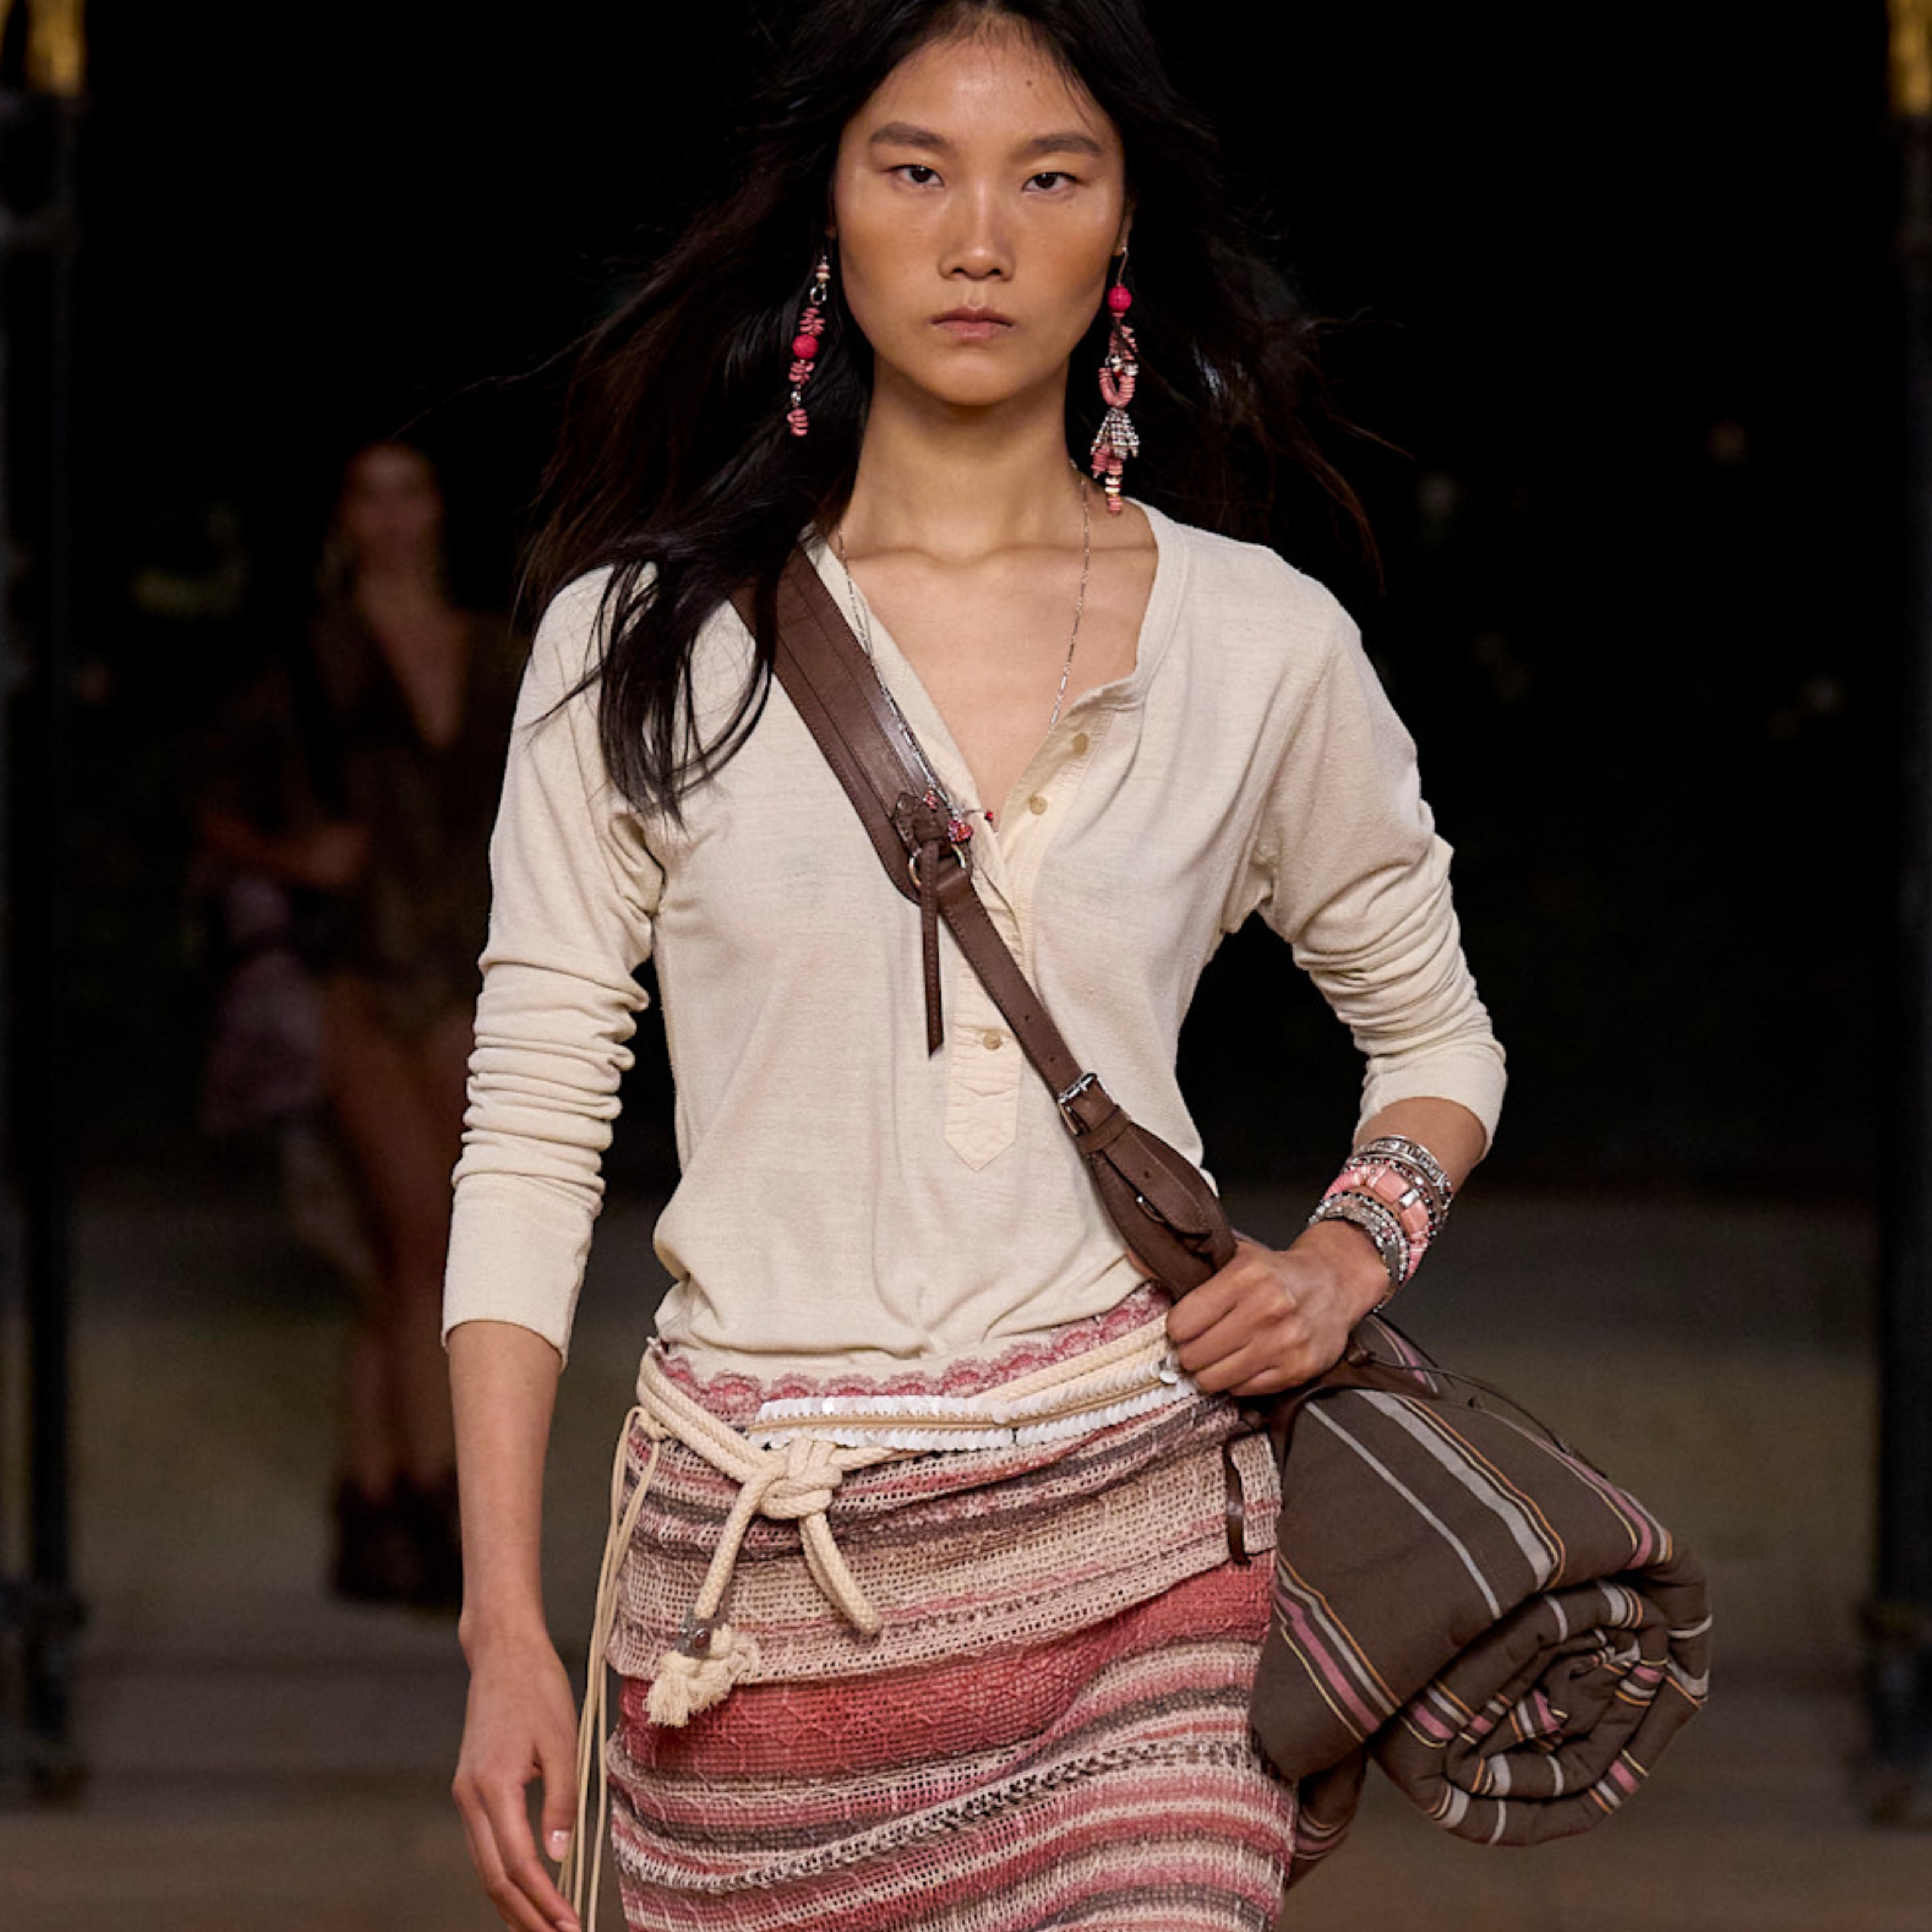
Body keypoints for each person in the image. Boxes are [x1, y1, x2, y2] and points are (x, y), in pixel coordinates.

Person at [445, 4, 1505, 1929]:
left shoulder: (1258, 643)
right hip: (747, 1615)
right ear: (827, 217)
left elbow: (1437, 1037)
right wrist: (502, 1621)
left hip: (1144, 1571)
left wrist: (1344, 1262)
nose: (980, 238)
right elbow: (526, 1136)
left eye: (1051, 177)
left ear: (1121, 233)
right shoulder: (638, 642)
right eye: (916, 170)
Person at [201, 438, 519, 1606]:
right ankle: (437, 1511)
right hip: (356, 979)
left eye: (408, 491)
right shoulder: (310, 660)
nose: (390, 516)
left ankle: (370, 1506)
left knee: (405, 1258)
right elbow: (213, 810)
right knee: (432, 1242)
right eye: (367, 495)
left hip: (469, 974)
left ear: (437, 509)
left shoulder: (500, 653)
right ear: (343, 517)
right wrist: (300, 859)